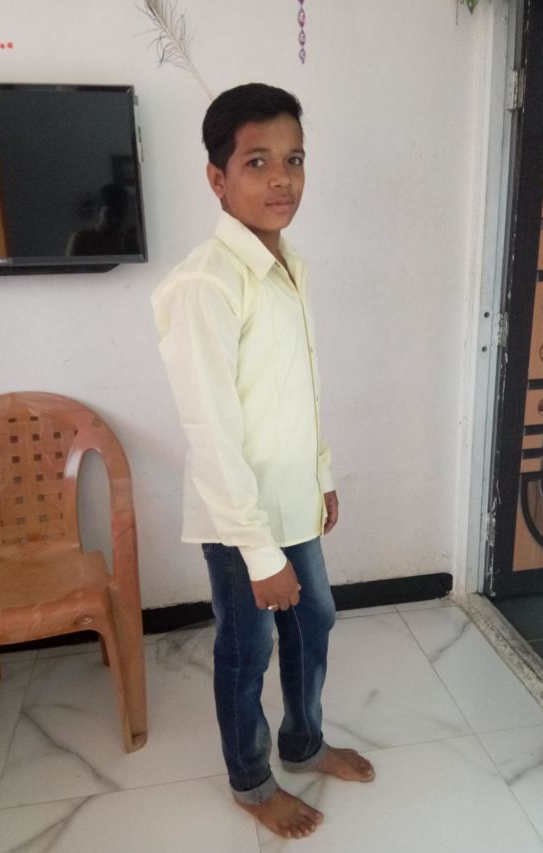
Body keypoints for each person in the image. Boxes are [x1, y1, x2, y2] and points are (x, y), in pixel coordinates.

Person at [151, 82, 375, 840]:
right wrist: (257, 551)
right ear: (217, 178)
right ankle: (251, 781)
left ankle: (303, 741)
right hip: (240, 515)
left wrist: (321, 474)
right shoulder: (205, 284)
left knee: (315, 620)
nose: (282, 179)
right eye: (257, 161)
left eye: (294, 159)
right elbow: (211, 431)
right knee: (247, 650)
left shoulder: (287, 263)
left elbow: (296, 387)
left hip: (293, 497)